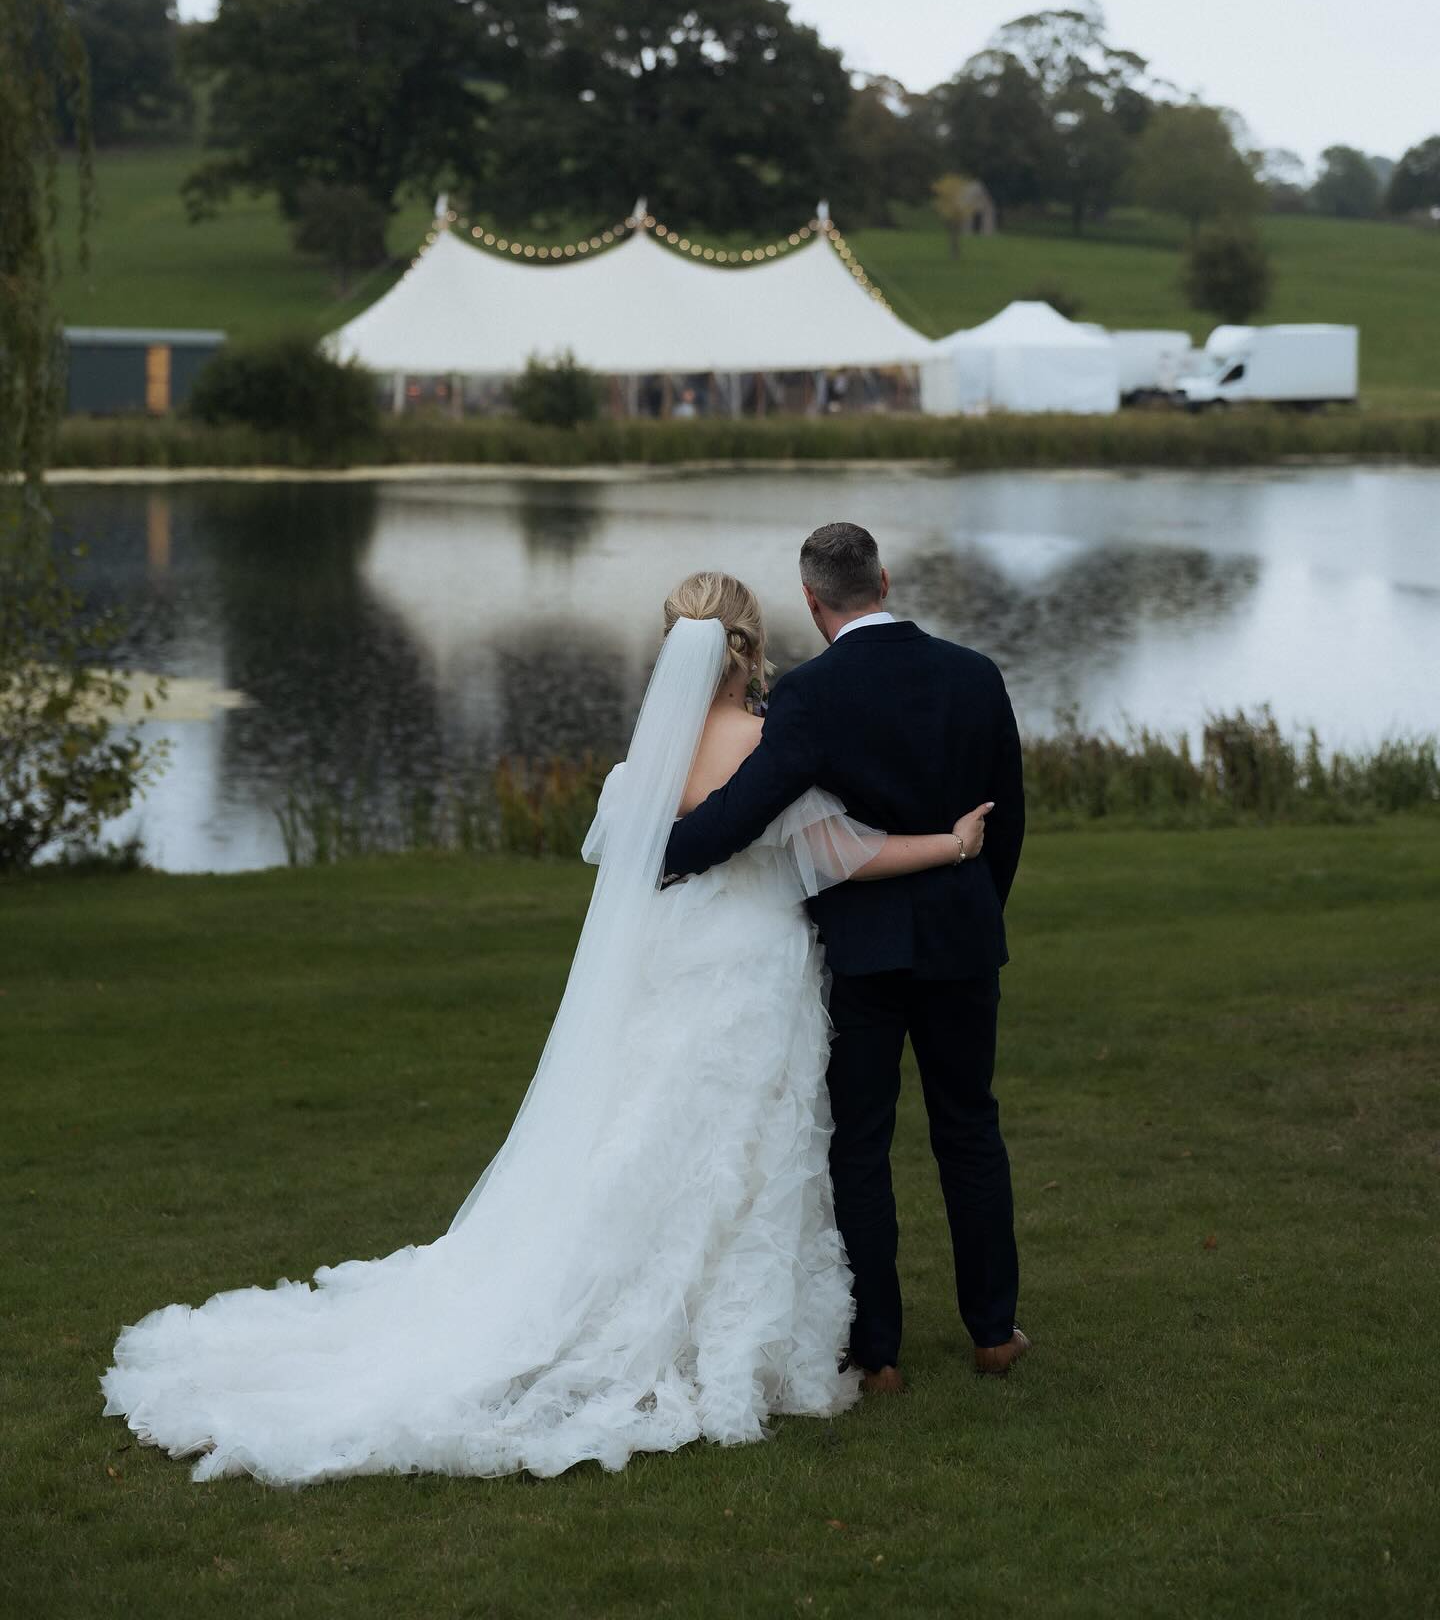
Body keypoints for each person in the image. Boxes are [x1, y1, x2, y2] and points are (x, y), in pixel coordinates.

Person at [100, 572, 992, 1486]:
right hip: (756, 961)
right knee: (748, 1145)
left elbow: (618, 851)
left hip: (673, 956)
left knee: (646, 1128)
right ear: (753, 648)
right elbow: (837, 853)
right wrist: (951, 843)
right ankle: (724, 1323)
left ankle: (626, 1294)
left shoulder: (648, 757)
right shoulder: (772, 746)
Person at [666, 523, 1027, 1389]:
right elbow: (1005, 820)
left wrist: (664, 851)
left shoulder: (810, 696)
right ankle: (990, 1331)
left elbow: (743, 813)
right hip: (960, 939)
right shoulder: (976, 676)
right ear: (886, 580)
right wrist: (976, 907)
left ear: (811, 601)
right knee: (970, 1130)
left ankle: (881, 1352)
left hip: (862, 954)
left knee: (860, 1147)